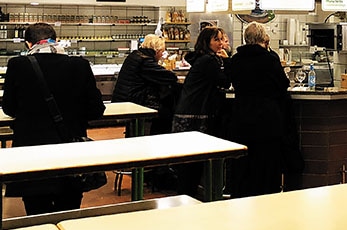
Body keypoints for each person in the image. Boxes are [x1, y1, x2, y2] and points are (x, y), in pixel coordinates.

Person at [2, 22, 105, 215]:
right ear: (56, 41)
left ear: (28, 44)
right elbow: (96, 110)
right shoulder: (79, 65)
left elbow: (9, 107)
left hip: (31, 152)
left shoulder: (18, 65)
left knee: (36, 213)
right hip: (70, 153)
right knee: (68, 212)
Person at [226, 22, 299, 197]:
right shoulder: (269, 59)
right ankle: (266, 197)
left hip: (241, 116)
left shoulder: (235, 59)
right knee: (266, 163)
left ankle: (243, 195)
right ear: (264, 38)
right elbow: (283, 83)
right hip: (267, 119)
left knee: (244, 162)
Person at [172, 26, 231, 198]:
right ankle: (187, 196)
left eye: (221, 39)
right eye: (216, 40)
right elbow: (225, 82)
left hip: (187, 113)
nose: (221, 44)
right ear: (207, 42)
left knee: (189, 161)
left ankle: (187, 194)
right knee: (193, 161)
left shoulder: (201, 58)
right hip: (195, 116)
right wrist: (227, 61)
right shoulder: (209, 61)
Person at [111, 34, 178, 135]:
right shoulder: (145, 61)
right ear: (157, 51)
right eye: (162, 52)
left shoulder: (135, 55)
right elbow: (170, 77)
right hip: (136, 101)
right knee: (166, 114)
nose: (162, 55)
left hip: (125, 99)